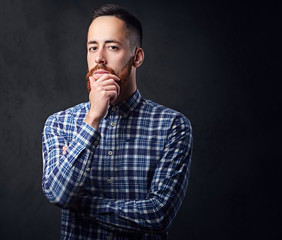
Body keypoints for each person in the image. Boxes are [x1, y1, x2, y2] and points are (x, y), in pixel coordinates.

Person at [42, 4, 193, 240]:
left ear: (137, 57)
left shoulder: (172, 126)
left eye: (112, 47)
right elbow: (58, 194)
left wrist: (80, 204)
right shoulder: (60, 123)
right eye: (93, 48)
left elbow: (158, 215)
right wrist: (93, 119)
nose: (99, 58)